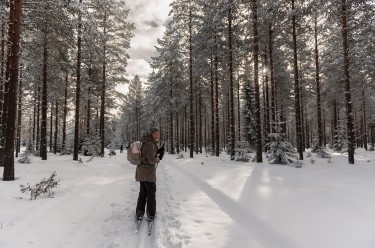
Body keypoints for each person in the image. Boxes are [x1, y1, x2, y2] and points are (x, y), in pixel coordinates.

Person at [135, 127, 165, 220]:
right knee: (151, 193)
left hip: (141, 171)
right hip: (148, 172)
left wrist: (157, 151)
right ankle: (151, 213)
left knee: (143, 192)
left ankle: (139, 212)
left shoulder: (145, 142)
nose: (157, 135)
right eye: (155, 133)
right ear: (151, 134)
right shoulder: (150, 144)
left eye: (158, 133)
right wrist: (159, 158)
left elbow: (147, 155)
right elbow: (151, 160)